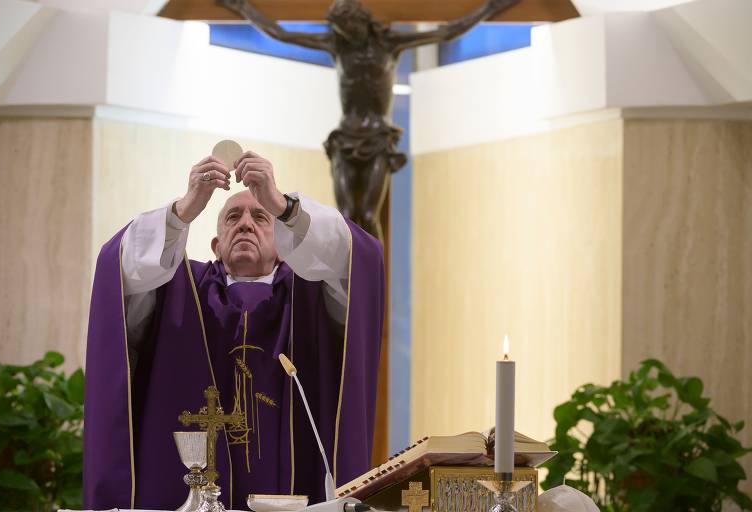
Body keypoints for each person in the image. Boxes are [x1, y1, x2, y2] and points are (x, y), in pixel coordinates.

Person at [83, 151, 385, 510]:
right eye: (232, 217)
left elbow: (354, 255)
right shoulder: (179, 291)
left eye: (260, 217)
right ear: (215, 245)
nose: (245, 224)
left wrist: (284, 207)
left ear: (285, 246)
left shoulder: (311, 298)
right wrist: (182, 212)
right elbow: (121, 269)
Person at [219, 0, 518, 239]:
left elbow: (447, 32)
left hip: (377, 141)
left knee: (370, 215)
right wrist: (242, 7)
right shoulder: (337, 45)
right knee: (348, 214)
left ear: (361, 20)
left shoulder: (389, 43)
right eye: (339, 27)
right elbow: (282, 34)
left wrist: (490, 8)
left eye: (348, 25)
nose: (344, 31)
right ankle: (348, 280)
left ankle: (372, 276)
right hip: (346, 139)